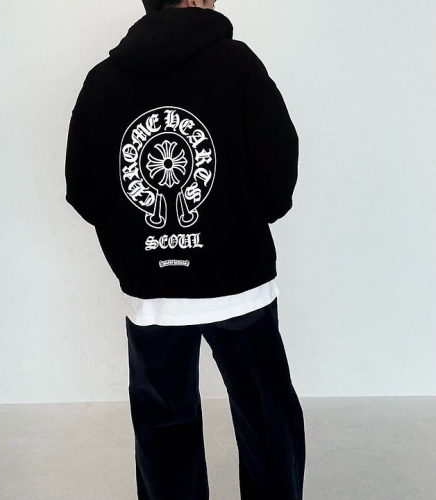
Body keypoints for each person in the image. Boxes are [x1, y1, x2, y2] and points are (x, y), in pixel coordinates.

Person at [64, 0, 305, 498]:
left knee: (163, 427)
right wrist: (242, 221)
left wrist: (134, 238)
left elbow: (82, 186)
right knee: (266, 416)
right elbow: (278, 163)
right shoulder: (239, 66)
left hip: (152, 292)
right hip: (240, 283)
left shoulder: (102, 81)